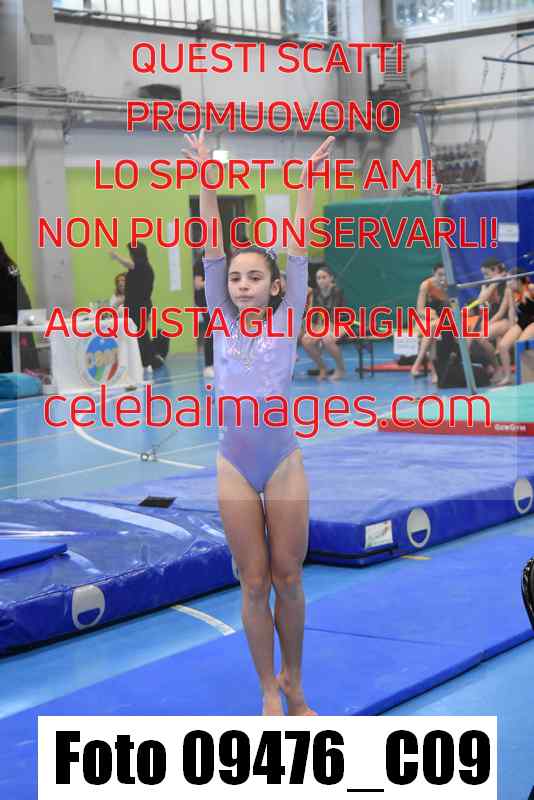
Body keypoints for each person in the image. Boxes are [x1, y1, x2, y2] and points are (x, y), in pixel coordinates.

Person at [184, 129, 335, 716]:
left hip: (280, 461)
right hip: (234, 463)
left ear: (275, 288)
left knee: (288, 576)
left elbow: (298, 248)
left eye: (254, 279)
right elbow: (211, 244)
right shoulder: (220, 318)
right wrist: (207, 180)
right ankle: (268, 687)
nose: (242, 285)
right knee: (252, 581)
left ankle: (295, 683)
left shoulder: (288, 315)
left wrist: (306, 185)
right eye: (235, 278)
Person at [110, 243, 162, 371]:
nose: (130, 256)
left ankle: (149, 361)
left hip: (139, 307)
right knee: (140, 334)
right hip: (135, 306)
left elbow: (130, 264)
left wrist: (116, 257)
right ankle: (148, 360)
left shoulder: (143, 266)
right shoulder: (140, 268)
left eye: (131, 253)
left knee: (141, 334)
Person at [301, 265, 347, 380]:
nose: (321, 280)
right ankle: (322, 368)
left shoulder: (337, 292)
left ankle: (341, 369)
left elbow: (334, 316)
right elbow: (314, 314)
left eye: (324, 277)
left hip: (340, 324)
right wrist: (311, 331)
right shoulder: (316, 293)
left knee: (327, 338)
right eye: (318, 278)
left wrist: (323, 332)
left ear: (331, 278)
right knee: (306, 340)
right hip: (322, 325)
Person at [0, 241, 38, 373]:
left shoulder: (8, 267)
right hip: (18, 315)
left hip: (9, 318)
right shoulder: (10, 266)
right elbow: (21, 295)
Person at [493, 267, 534, 386]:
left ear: (519, 280)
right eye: (507, 280)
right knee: (503, 345)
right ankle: (508, 377)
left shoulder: (531, 288)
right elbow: (511, 310)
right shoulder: (510, 291)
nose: (507, 283)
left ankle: (526, 375)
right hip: (522, 321)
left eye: (510, 280)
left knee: (520, 344)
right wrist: (511, 327)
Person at [410, 263, 448, 381]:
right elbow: (420, 310)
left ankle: (417, 365)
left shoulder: (448, 286)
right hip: (424, 319)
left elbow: (450, 307)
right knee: (432, 332)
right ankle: (434, 373)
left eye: (445, 275)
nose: (443, 278)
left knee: (433, 332)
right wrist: (434, 317)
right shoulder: (426, 285)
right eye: (440, 275)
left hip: (440, 321)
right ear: (433, 273)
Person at [193, 260, 214, 379]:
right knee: (211, 331)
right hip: (206, 302)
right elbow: (198, 284)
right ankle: (209, 365)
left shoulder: (223, 261)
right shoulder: (200, 263)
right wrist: (214, 281)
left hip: (218, 301)